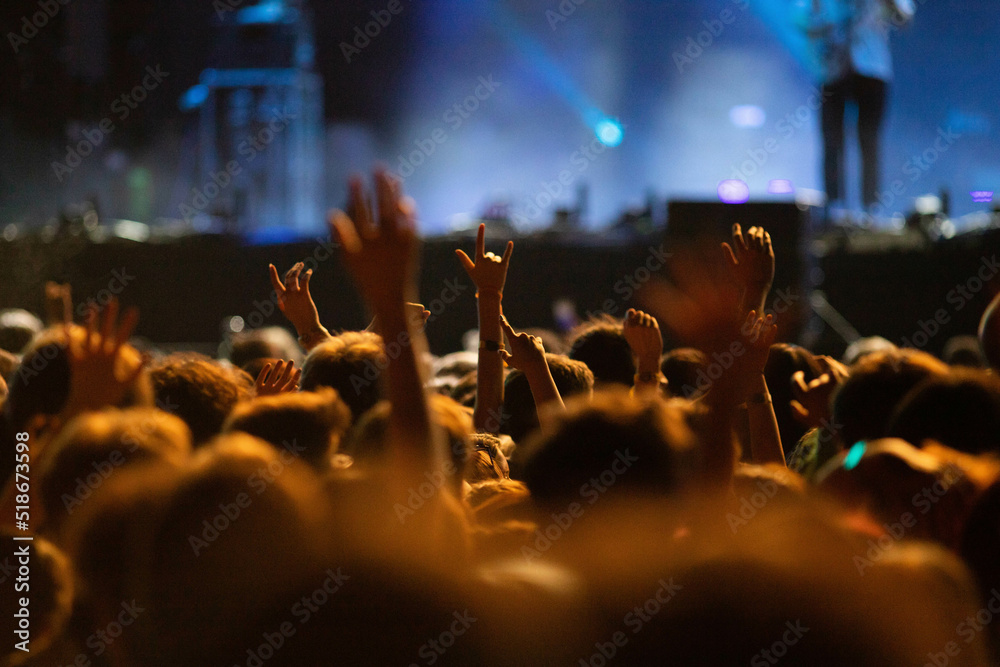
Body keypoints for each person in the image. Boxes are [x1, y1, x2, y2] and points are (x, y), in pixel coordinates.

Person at [796, 0, 915, 222]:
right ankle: (835, 208)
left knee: (869, 141)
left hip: (872, 69)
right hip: (831, 69)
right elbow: (800, 19)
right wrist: (822, 26)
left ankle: (870, 210)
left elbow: (904, 19)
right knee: (832, 141)